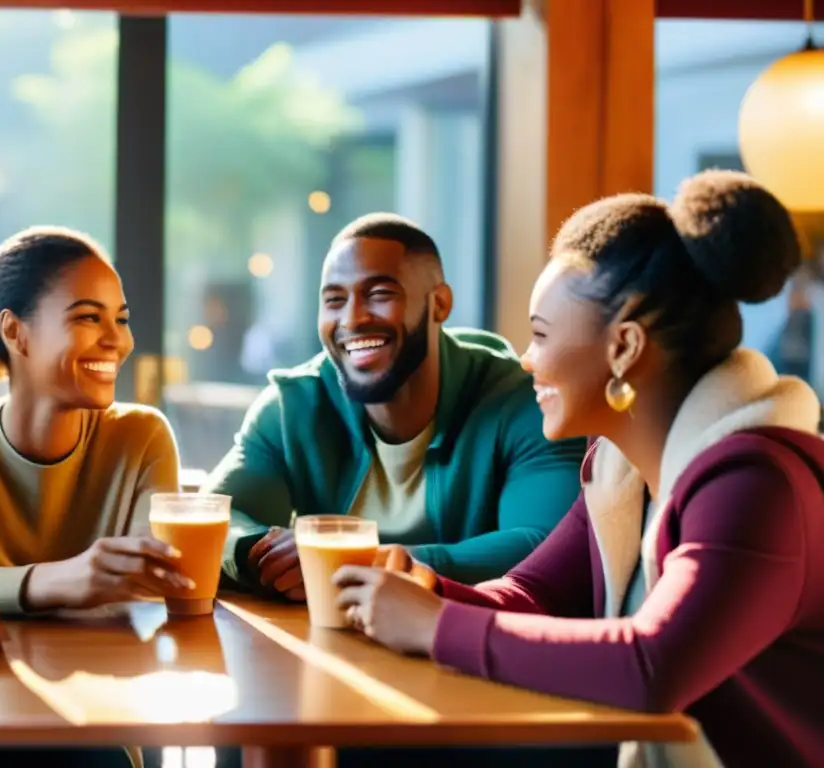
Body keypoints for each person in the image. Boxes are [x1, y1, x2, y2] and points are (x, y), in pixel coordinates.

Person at [335, 171, 824, 767]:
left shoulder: (756, 487)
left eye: (540, 335)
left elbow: (652, 665)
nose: (525, 358)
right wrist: (429, 590)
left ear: (623, 348)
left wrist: (436, 625)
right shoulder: (618, 468)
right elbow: (535, 592)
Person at [204, 213, 587, 598]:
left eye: (379, 294)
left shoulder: (523, 400)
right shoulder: (293, 406)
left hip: (461, 646)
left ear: (439, 304)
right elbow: (213, 518)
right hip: (329, 644)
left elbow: (547, 545)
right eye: (335, 300)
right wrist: (259, 551)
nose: (352, 319)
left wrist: (376, 562)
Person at [0, 226, 191, 617]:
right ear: (14, 331)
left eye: (120, 319)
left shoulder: (143, 435)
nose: (117, 341)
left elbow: (147, 581)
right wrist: (65, 578)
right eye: (88, 317)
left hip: (118, 668)